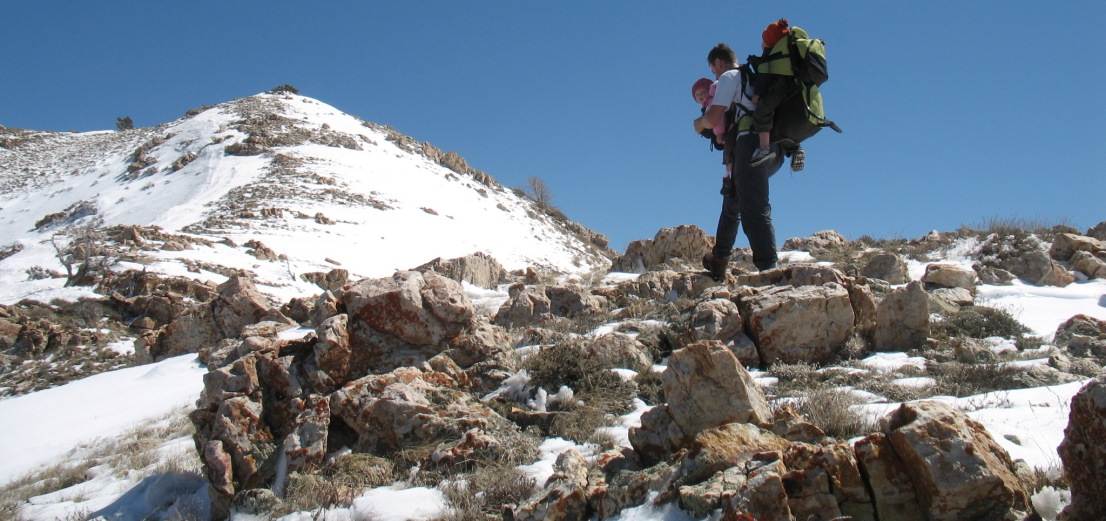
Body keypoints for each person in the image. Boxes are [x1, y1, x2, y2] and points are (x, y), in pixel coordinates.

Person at [694, 43, 785, 280]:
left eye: (713, 70)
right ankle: (719, 261)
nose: (714, 75)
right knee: (733, 199)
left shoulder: (730, 77)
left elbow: (713, 117)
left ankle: (769, 269)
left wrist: (700, 124)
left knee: (754, 206)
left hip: (750, 143)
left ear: (719, 63)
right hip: (773, 145)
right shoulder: (752, 77)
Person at [749, 18, 802, 168]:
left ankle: (764, 148)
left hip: (778, 89)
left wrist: (757, 95)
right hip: (793, 90)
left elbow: (764, 77)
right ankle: (796, 147)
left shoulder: (771, 57)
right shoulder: (788, 55)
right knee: (783, 121)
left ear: (768, 43)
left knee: (762, 113)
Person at [692, 77, 725, 149]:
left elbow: (718, 118)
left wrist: (719, 134)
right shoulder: (706, 105)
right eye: (697, 94)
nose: (700, 95)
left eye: (703, 92)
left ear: (710, 91)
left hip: (722, 136)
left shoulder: (712, 102)